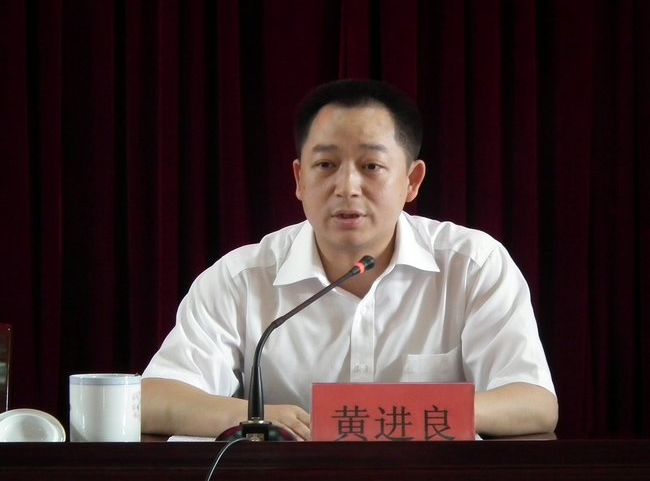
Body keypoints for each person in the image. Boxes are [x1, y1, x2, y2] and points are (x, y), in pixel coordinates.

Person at [141, 79, 558, 441]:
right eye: (325, 165)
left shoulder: (472, 265)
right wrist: (255, 418)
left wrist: (391, 414)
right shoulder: (241, 278)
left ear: (412, 181)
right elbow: (153, 399)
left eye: (371, 166)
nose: (347, 187)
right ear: (300, 179)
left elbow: (533, 404)